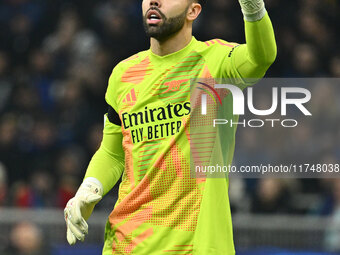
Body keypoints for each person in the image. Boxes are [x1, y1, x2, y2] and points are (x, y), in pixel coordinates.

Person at [64, 0, 276, 254]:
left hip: (196, 246)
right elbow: (112, 153)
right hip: (126, 245)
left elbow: (261, 57)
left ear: (193, 11)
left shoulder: (217, 63)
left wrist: (252, 5)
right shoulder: (123, 74)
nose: (154, 1)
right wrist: (89, 187)